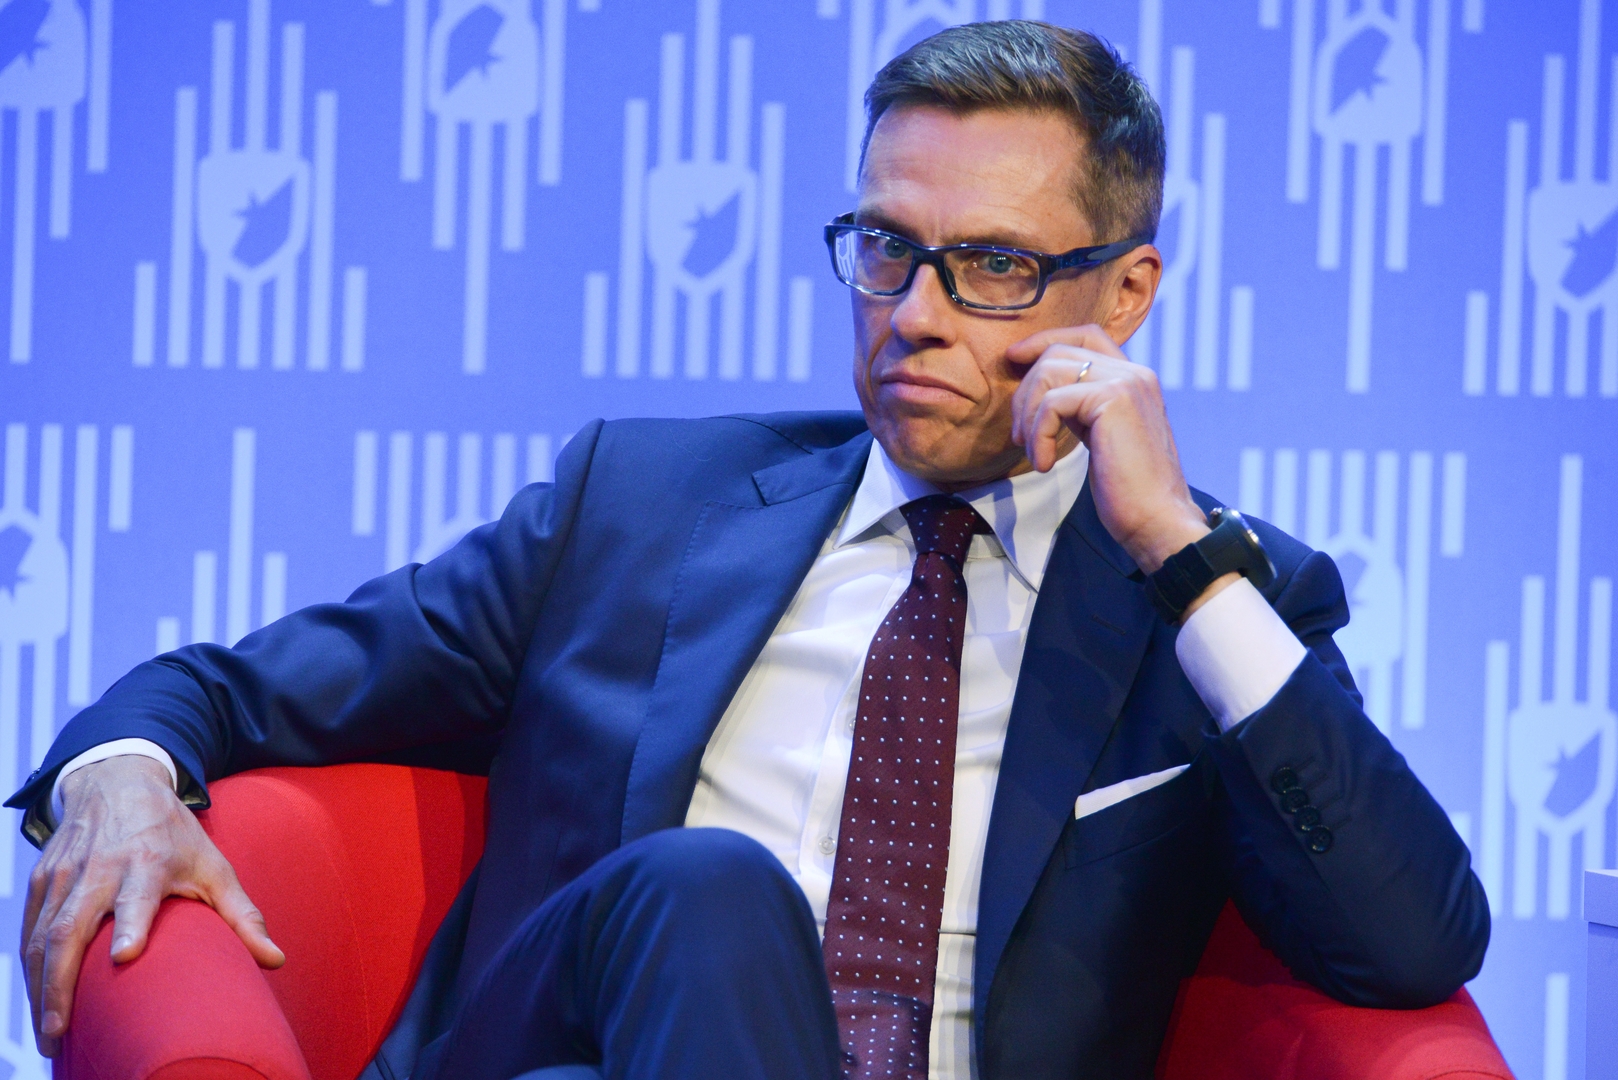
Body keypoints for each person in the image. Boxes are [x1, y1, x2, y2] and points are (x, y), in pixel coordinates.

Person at [10, 20, 1487, 1080]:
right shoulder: (642, 503)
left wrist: (1173, 548)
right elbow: (235, 688)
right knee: (704, 889)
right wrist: (119, 777)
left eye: (990, 267)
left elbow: (1411, 944)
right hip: (573, 1052)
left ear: (1123, 298)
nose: (913, 314)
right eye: (885, 247)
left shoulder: (1209, 601)